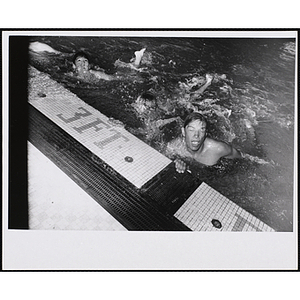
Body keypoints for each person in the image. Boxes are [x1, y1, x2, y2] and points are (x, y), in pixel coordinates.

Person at [166, 112, 242, 173]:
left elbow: (243, 158)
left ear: (205, 133)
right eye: (191, 130)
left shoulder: (219, 148)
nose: (196, 135)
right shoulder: (175, 146)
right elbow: (163, 158)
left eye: (201, 130)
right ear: (183, 132)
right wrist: (176, 161)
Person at [72, 48, 146, 81]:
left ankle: (137, 61)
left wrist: (133, 78)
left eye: (85, 60)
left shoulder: (95, 73)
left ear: (89, 65)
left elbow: (112, 78)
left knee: (126, 73)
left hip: (111, 73)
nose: (83, 63)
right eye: (79, 61)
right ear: (74, 65)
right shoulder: (71, 75)